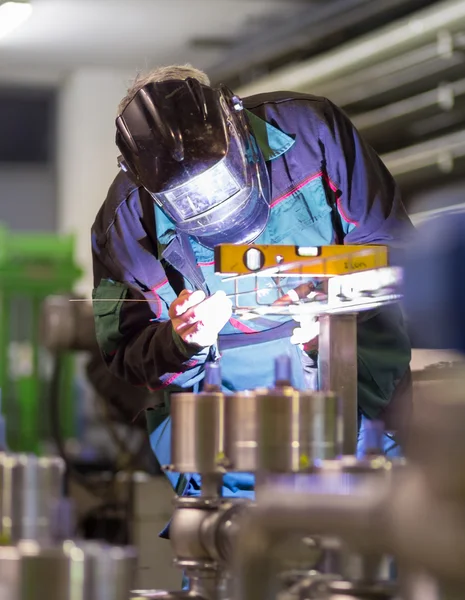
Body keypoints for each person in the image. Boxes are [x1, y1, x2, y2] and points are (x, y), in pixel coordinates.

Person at [91, 65, 413, 530]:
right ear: (144, 183)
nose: (210, 205)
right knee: (229, 558)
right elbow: (122, 352)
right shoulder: (122, 229)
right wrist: (180, 340)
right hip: (222, 447)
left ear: (233, 125)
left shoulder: (310, 133)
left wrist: (336, 297)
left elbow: (398, 254)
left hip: (360, 401)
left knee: (373, 547)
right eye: (187, 200)